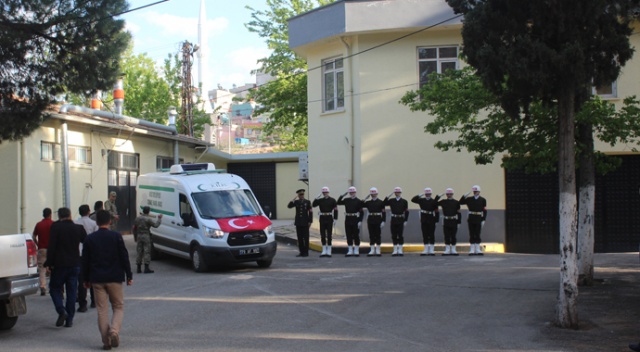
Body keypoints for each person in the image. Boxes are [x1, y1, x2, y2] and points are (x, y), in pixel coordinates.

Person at [82, 210, 133, 350]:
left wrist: (85, 279)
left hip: (97, 279)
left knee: (102, 310)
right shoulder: (116, 237)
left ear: (97, 222)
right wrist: (129, 275)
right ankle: (114, 331)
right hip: (115, 277)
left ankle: (106, 342)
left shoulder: (90, 239)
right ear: (110, 221)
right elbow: (124, 256)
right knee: (118, 306)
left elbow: (85, 261)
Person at [44, 207, 87, 328]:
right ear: (70, 215)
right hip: (75, 264)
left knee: (54, 288)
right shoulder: (78, 228)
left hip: (60, 265)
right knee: (72, 292)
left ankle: (61, 310)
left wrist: (49, 263)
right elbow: (86, 241)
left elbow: (52, 247)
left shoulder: (56, 228)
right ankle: (70, 319)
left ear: (59, 217)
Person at [74, 204, 99, 312]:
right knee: (92, 276)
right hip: (91, 252)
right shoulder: (93, 223)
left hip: (78, 252)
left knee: (81, 279)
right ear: (89, 212)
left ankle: (82, 303)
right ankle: (94, 300)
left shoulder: (75, 222)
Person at [133, 206, 163, 273]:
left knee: (139, 251)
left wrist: (135, 236)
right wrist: (159, 219)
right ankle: (146, 268)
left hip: (139, 235)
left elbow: (134, 228)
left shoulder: (137, 218)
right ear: (148, 211)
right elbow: (155, 225)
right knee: (147, 251)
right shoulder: (148, 219)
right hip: (146, 235)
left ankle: (138, 268)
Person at [411, 187, 440, 256]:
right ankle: (426, 249)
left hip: (431, 218)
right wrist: (419, 195)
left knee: (431, 234)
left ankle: (431, 250)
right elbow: (413, 200)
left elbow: (436, 211)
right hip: (424, 218)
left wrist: (436, 220)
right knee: (425, 234)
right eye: (426, 194)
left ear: (431, 194)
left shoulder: (434, 201)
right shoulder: (421, 200)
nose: (428, 195)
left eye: (429, 194)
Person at [460, 185, 487, 256]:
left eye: (476, 191)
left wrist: (483, 219)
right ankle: (472, 249)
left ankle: (477, 249)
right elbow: (460, 202)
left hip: (478, 217)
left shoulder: (483, 200)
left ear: (479, 191)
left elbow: (484, 210)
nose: (475, 192)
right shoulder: (469, 199)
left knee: (477, 233)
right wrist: (464, 196)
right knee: (472, 233)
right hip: (471, 217)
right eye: (474, 191)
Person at [337, 187, 364, 257]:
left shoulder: (359, 201)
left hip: (355, 219)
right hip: (348, 218)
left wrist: (360, 221)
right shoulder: (346, 200)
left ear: (355, 192)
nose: (352, 194)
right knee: (348, 235)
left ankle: (356, 250)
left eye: (353, 192)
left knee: (356, 235)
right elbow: (338, 202)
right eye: (351, 192)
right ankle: (350, 250)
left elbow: (361, 212)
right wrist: (342, 195)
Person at [312, 186, 338, 257]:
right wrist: (316, 198)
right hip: (322, 217)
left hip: (329, 217)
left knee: (329, 235)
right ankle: (324, 250)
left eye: (326, 192)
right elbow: (313, 205)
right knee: (322, 234)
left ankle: (329, 250)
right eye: (323, 192)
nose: (325, 193)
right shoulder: (320, 200)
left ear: (328, 192)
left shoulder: (332, 200)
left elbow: (335, 210)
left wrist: (335, 218)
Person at [33, 208, 53, 296]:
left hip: (42, 248)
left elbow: (34, 236)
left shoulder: (39, 224)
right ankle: (52, 286)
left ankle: (42, 286)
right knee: (53, 267)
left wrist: (37, 244)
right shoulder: (53, 224)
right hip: (52, 249)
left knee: (42, 269)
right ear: (50, 214)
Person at [384, 187, 409, 256]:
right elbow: (384, 203)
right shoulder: (391, 201)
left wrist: (406, 220)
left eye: (398, 192)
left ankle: (400, 249)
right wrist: (388, 196)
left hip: (401, 219)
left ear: (400, 193)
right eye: (396, 192)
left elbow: (406, 211)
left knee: (400, 235)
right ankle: (395, 249)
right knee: (394, 234)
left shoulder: (404, 201)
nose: (397, 193)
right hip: (394, 219)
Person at [287, 189, 313, 257]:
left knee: (306, 238)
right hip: (298, 222)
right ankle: (301, 252)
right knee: (300, 238)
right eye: (300, 195)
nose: (301, 196)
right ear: (298, 195)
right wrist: (293, 199)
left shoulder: (307, 202)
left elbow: (310, 212)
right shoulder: (296, 202)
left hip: (305, 222)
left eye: (302, 194)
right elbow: (289, 206)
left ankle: (306, 252)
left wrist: (310, 221)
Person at [437, 188, 461, 256]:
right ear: (446, 195)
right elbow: (434, 203)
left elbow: (459, 213)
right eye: (448, 194)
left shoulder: (456, 202)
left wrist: (459, 222)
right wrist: (438, 197)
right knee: (447, 235)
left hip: (454, 220)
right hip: (446, 220)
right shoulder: (443, 201)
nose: (449, 195)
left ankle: (453, 249)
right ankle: (447, 249)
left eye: (450, 194)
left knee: (453, 235)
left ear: (452, 194)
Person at [363, 187, 386, 257]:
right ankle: (372, 249)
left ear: (377, 193)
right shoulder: (368, 202)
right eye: (372, 194)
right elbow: (360, 204)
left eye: (374, 193)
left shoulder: (381, 202)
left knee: (378, 235)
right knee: (371, 235)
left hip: (378, 219)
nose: (373, 195)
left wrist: (383, 221)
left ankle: (378, 250)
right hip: (370, 219)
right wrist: (365, 198)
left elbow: (383, 212)